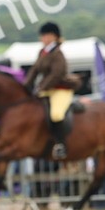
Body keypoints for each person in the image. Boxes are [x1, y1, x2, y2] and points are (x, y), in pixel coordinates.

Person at [25, 22, 78, 160]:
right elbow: (34, 71)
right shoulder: (42, 52)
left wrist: (41, 88)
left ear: (55, 37)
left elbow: (57, 74)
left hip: (60, 89)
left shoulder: (57, 53)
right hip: (47, 89)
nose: (45, 38)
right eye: (43, 36)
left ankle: (61, 145)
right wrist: (26, 86)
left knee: (56, 114)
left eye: (48, 36)